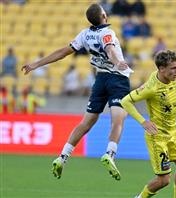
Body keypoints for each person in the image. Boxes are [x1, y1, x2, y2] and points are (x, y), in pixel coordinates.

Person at [21, 3, 133, 180]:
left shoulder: (84, 34)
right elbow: (110, 49)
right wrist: (117, 61)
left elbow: (63, 52)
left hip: (100, 80)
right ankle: (110, 154)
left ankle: (62, 157)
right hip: (118, 79)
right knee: (118, 119)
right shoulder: (108, 32)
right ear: (104, 16)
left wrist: (36, 64)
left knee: (86, 122)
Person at [121, 50, 176, 198]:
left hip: (175, 132)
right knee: (164, 180)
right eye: (173, 68)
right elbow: (125, 101)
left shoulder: (175, 76)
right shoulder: (151, 88)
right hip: (158, 137)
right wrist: (143, 122)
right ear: (161, 69)